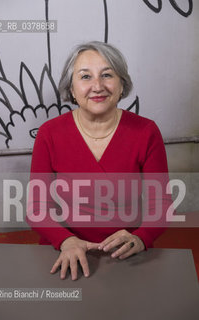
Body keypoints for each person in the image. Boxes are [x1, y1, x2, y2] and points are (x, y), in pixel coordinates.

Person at [28, 41, 170, 281]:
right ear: (71, 88)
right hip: (64, 250)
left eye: (107, 75)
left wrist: (141, 236)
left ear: (121, 84)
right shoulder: (49, 133)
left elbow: (162, 204)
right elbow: (37, 208)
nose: (98, 86)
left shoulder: (146, 131)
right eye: (85, 76)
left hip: (126, 254)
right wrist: (66, 240)